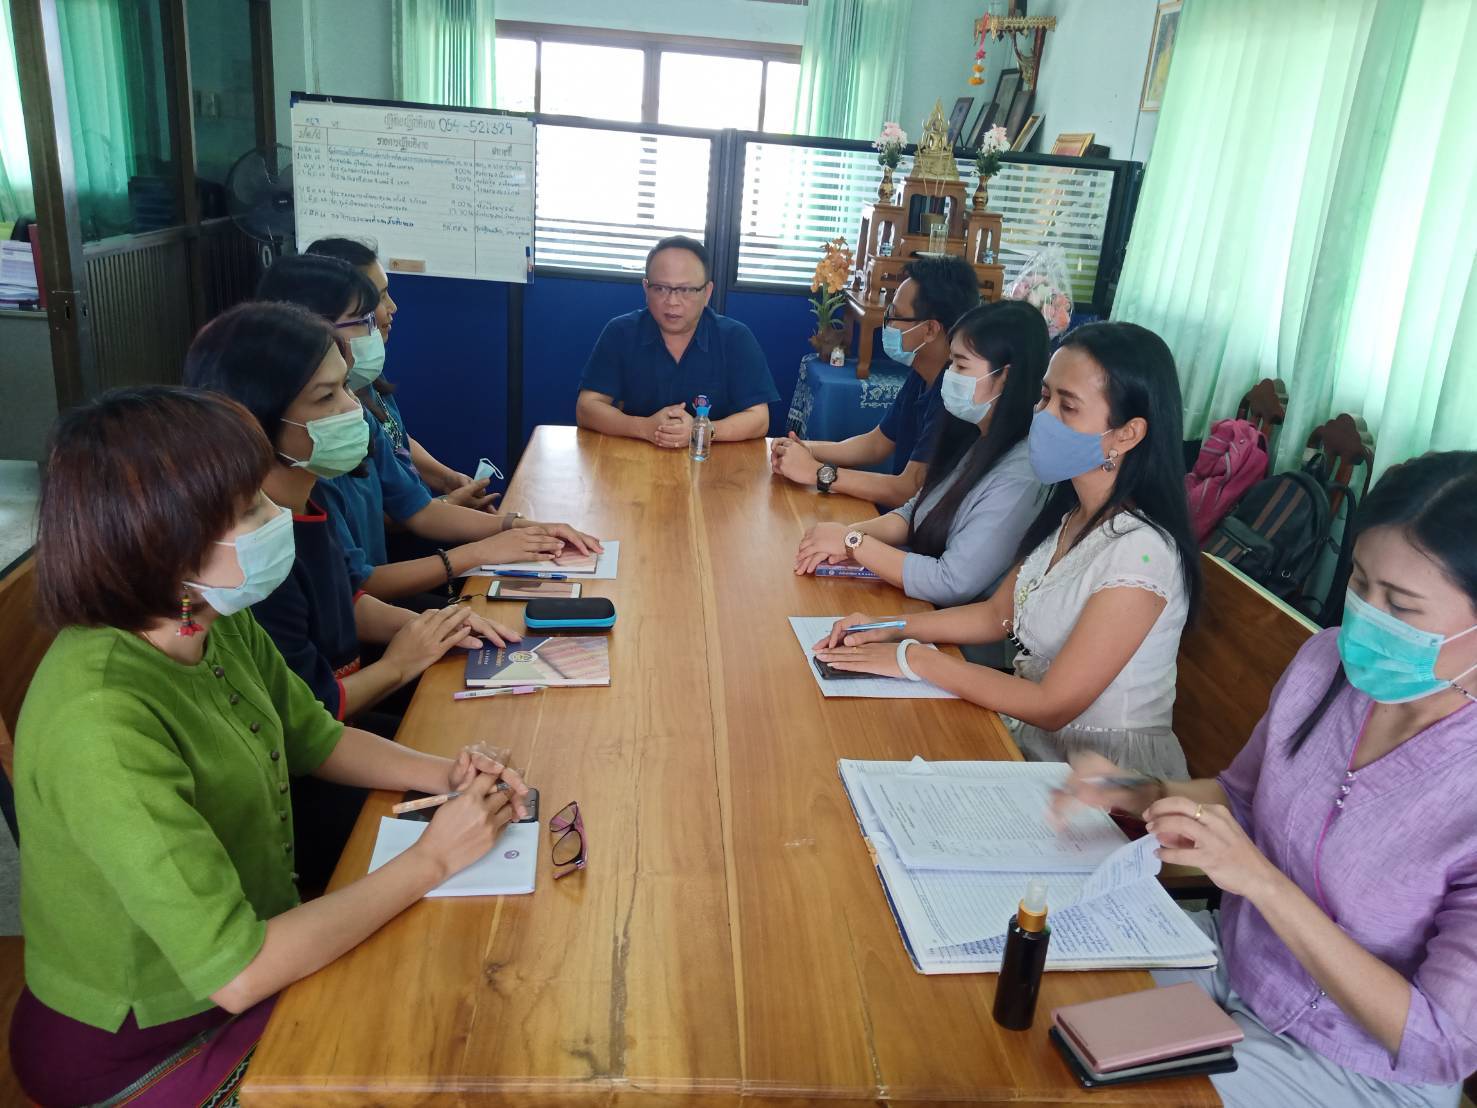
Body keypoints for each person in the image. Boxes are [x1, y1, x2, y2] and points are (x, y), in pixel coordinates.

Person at [8, 386, 530, 1107]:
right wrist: (434, 857)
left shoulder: (205, 615)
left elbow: (315, 738)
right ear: (160, 537)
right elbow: (236, 970)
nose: (276, 514)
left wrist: (447, 775)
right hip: (147, 1038)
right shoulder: (100, 723)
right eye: (249, 507)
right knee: (433, 1043)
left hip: (253, 955)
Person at [1054, 451, 1477, 1108]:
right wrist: (1133, 792)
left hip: (1356, 1066)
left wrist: (1260, 882)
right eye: (1359, 581)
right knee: (1038, 998)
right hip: (1231, 966)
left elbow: (1439, 1042)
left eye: (1400, 605)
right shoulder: (1326, 666)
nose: (1365, 616)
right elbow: (1242, 797)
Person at [814, 321, 1202, 777]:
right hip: (1037, 747)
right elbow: (995, 615)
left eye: (1067, 406)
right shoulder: (1071, 515)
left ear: (1128, 434)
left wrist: (912, 656)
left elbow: (1052, 704)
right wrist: (888, 628)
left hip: (1105, 780)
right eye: (1044, 397)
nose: (1043, 417)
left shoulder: (1142, 553)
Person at [184, 300, 517, 733]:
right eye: (326, 396)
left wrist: (433, 625)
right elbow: (312, 717)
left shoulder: (311, 497)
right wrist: (399, 663)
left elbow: (345, 600)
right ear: (255, 419)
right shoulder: (252, 554)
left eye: (345, 386)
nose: (352, 408)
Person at [257, 255, 600, 602]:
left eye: (345, 387)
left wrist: (516, 526)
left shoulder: (354, 418)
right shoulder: (304, 465)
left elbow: (417, 509)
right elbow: (357, 590)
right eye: (365, 318)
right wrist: (480, 551)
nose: (387, 313)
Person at [793, 299, 1047, 607]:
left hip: (945, 617)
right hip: (919, 597)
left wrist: (853, 543)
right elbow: (915, 512)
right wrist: (843, 536)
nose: (949, 374)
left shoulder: (1021, 474)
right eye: (951, 363)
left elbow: (950, 582)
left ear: (1005, 376)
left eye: (961, 365)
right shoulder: (976, 435)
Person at [771, 255, 981, 509]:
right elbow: (876, 444)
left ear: (930, 330)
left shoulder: (953, 397)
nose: (887, 323)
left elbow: (907, 489)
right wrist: (804, 449)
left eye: (896, 315)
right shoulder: (921, 374)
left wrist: (817, 473)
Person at [304, 236, 496, 510]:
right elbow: (366, 506)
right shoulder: (332, 414)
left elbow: (395, 440)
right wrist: (442, 506)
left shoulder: (366, 375)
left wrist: (446, 479)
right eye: (380, 297)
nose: (392, 307)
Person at [575, 235, 779, 445]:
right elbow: (586, 407)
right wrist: (644, 427)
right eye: (660, 288)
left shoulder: (735, 338)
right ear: (646, 288)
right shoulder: (621, 332)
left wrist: (701, 430)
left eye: (685, 290)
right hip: (634, 456)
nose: (672, 301)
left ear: (707, 292)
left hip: (710, 458)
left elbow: (759, 419)